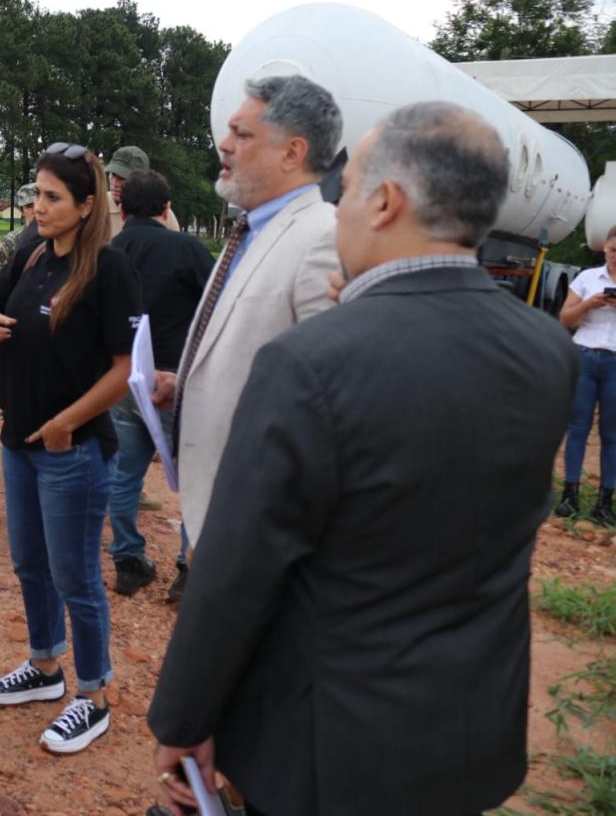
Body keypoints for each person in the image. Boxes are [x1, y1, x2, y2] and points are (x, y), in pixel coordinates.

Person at [148, 102, 576, 816]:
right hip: (470, 732)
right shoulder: (545, 349)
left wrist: (185, 718)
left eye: (344, 193)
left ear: (385, 201)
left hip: (329, 746)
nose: (336, 209)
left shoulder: (309, 363)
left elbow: (238, 568)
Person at [0, 143, 142, 754]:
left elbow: (126, 369)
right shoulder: (32, 254)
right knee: (31, 565)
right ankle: (45, 669)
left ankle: (91, 695)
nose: (37, 206)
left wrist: (68, 422)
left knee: (77, 576)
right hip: (18, 441)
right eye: (35, 194)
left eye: (52, 197)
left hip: (74, 450)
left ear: (88, 205)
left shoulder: (109, 271)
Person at [152, 75, 342, 562]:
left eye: (243, 133)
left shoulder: (322, 239)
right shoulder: (253, 229)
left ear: (292, 152)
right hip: (220, 509)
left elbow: (331, 406)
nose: (224, 142)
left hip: (259, 521)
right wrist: (186, 385)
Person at [105, 170, 213, 599]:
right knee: (193, 476)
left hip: (123, 379)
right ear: (167, 208)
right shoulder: (187, 247)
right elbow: (217, 304)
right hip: (175, 380)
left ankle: (128, 559)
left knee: (125, 473)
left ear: (124, 208)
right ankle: (188, 567)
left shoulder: (110, 251)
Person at [556, 224, 616, 525]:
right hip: (585, 355)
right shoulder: (587, 278)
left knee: (611, 433)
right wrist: (589, 303)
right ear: (604, 248)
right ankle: (570, 495)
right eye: (614, 250)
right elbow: (564, 318)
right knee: (577, 427)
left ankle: (605, 502)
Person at [105, 146, 179, 240]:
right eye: (112, 175)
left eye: (122, 177)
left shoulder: (162, 214)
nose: (114, 183)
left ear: (143, 180)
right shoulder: (97, 207)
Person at [0, 183, 37, 278]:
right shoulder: (11, 241)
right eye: (29, 206)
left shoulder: (60, 238)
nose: (35, 210)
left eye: (39, 204)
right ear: (22, 210)